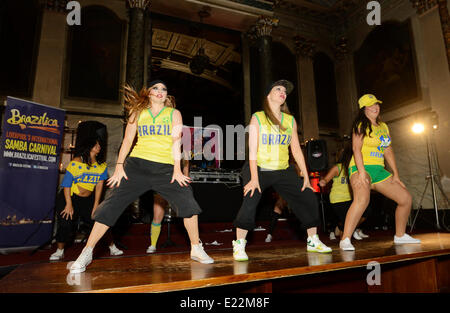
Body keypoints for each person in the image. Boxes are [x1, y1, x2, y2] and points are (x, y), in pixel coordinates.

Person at [69, 80, 214, 274]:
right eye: (156, 88)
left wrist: (177, 170)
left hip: (165, 168)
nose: (160, 91)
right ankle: (86, 252)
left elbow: (176, 141)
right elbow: (128, 140)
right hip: (137, 165)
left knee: (187, 201)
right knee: (111, 204)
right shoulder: (138, 113)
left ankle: (196, 248)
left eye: (164, 89)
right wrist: (120, 166)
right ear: (148, 92)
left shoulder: (174, 114)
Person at [232, 79, 332, 261]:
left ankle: (312, 239)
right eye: (278, 89)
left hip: (283, 169)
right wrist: (254, 178)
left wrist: (306, 177)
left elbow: (295, 149)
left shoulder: (290, 120)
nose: (282, 92)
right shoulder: (258, 117)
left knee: (308, 196)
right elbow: (252, 150)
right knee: (250, 199)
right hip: (259, 167)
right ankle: (239, 245)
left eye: (285, 91)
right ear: (268, 94)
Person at [339, 94, 420, 250]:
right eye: (370, 105)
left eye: (376, 104)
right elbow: (356, 149)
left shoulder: (383, 127)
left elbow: (388, 150)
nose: (375, 107)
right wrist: (361, 172)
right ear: (364, 109)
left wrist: (396, 174)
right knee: (362, 200)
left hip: (379, 169)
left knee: (406, 198)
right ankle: (345, 239)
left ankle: (400, 235)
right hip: (360, 166)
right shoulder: (360, 124)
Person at [49, 139, 123, 261]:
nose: (99, 146)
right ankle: (60, 251)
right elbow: (67, 183)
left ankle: (112, 247)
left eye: (100, 144)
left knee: (100, 221)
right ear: (89, 146)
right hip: (69, 196)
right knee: (65, 223)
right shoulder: (76, 161)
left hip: (88, 199)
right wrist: (68, 204)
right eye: (96, 144)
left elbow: (100, 185)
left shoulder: (101, 165)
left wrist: (96, 204)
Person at [319, 144, 369, 241]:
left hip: (351, 198)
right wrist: (323, 181)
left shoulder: (355, 169)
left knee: (366, 211)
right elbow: (326, 179)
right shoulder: (338, 168)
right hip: (338, 199)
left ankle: (342, 227)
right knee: (347, 220)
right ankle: (344, 240)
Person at [146, 157, 189, 253]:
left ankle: (194, 244)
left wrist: (186, 178)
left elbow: (186, 163)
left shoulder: (184, 144)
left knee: (188, 212)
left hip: (178, 180)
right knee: (157, 215)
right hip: (162, 179)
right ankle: (153, 244)